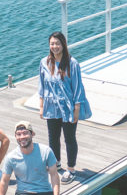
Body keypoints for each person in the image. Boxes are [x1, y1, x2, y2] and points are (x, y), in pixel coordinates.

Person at [38, 31, 91, 182]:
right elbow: (41, 85)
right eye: (52, 44)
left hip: (68, 107)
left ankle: (71, 169)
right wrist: (41, 106)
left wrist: (77, 109)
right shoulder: (44, 62)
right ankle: (56, 163)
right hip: (51, 106)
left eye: (57, 43)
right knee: (53, 137)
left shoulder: (72, 63)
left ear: (63, 45)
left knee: (69, 138)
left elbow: (78, 87)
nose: (54, 46)